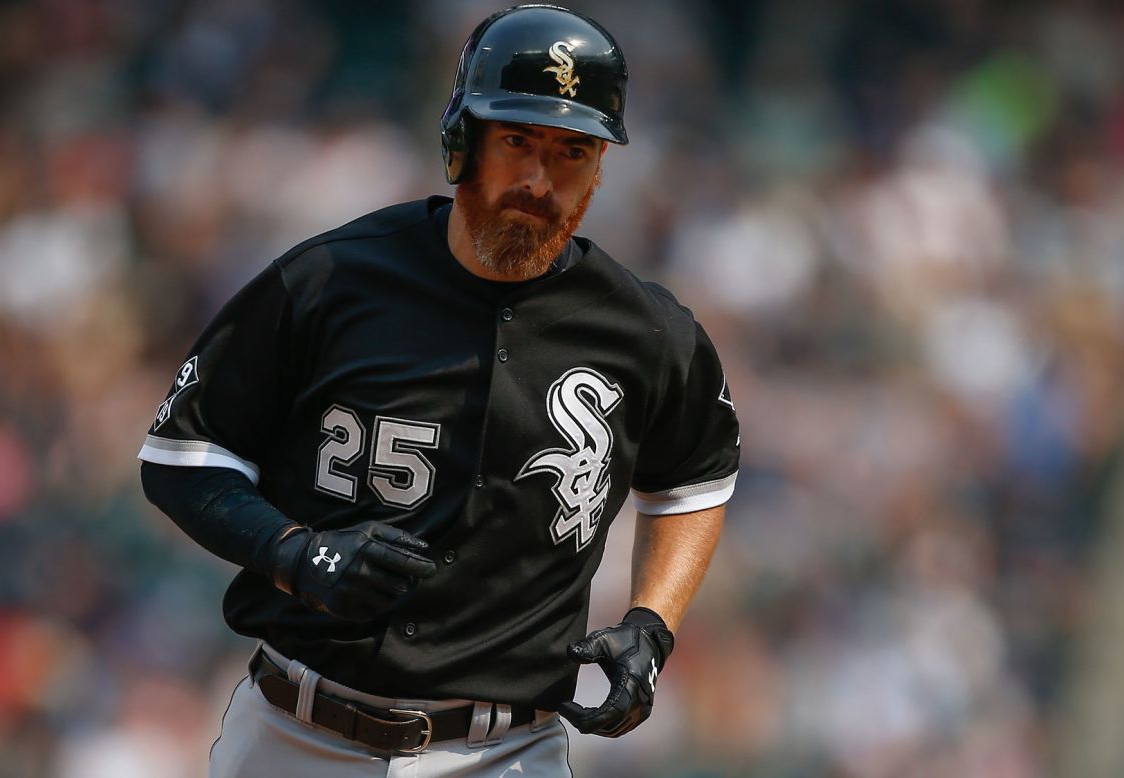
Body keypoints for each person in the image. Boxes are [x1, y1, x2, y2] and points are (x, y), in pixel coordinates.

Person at [139, 5, 740, 776]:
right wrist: (295, 553)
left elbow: (694, 480)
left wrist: (652, 624)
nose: (537, 179)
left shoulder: (645, 332)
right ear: (461, 141)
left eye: (571, 151)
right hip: (297, 733)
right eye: (516, 140)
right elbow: (182, 457)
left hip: (507, 751)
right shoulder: (329, 281)